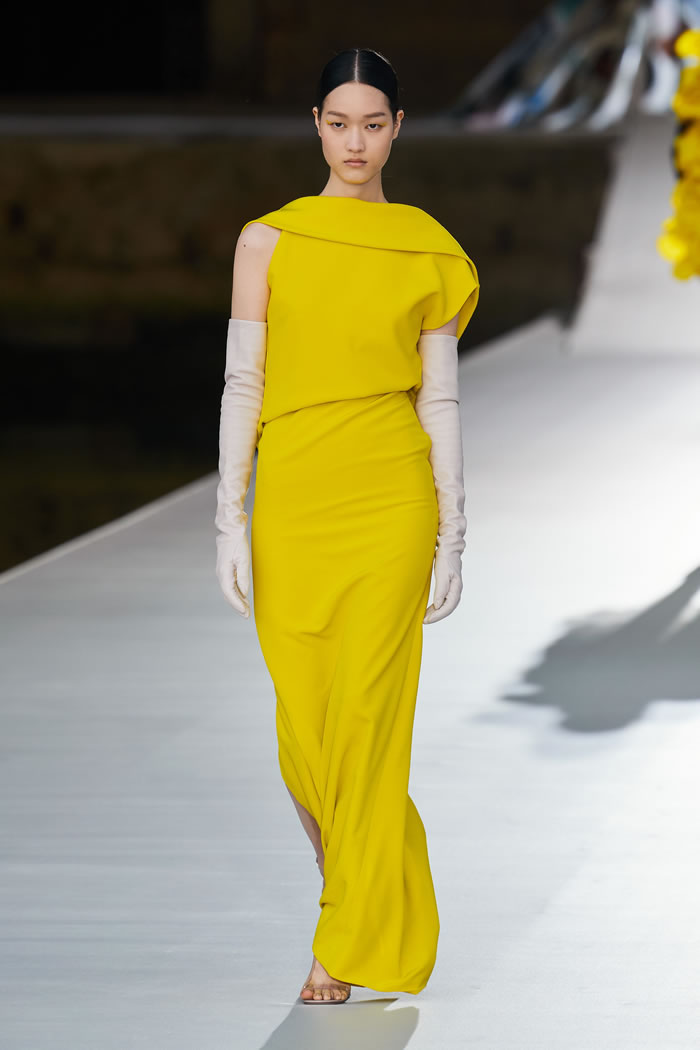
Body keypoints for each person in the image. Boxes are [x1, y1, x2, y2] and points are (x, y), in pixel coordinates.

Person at [215, 47, 479, 1004]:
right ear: (316, 127)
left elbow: (438, 400)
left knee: (369, 719)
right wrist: (228, 519)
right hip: (292, 499)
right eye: (339, 123)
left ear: (397, 128)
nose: (355, 142)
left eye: (373, 123)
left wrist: (453, 532)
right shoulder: (268, 242)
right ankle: (360, 888)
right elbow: (244, 383)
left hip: (390, 498)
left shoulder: (429, 251)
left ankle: (342, 933)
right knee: (307, 731)